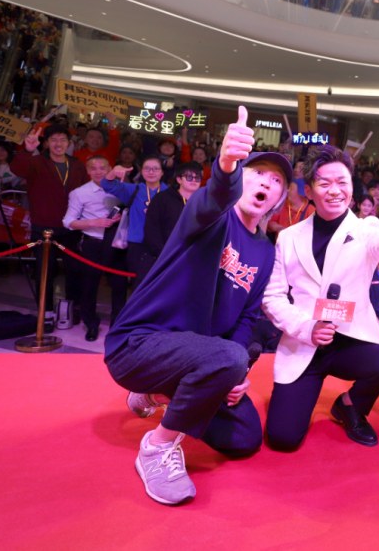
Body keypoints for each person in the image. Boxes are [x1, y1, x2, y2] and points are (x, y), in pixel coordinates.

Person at [104, 106, 291, 506]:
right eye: (258, 172)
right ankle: (157, 447)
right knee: (227, 357)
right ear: (242, 178)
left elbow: (247, 318)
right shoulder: (211, 216)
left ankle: (155, 396)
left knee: (244, 438)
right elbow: (214, 196)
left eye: (277, 181)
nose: (267, 182)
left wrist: (235, 375)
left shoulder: (265, 251)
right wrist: (226, 165)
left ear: (278, 199)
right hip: (139, 344)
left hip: (200, 356)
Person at [261, 145, 379, 452]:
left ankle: (350, 406)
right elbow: (272, 297)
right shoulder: (288, 237)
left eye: (342, 182)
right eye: (324, 183)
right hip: (305, 339)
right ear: (309, 191)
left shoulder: (366, 229)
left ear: (351, 189)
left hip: (350, 340)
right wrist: (307, 328)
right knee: (282, 439)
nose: (335, 191)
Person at [12, 124, 87, 314]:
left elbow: (86, 190)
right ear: (46, 143)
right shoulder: (37, 161)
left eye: (63, 139)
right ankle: (45, 313)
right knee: (45, 273)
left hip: (72, 226)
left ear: (69, 143)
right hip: (44, 227)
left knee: (74, 271)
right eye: (53, 139)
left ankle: (73, 310)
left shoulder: (77, 164)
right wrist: (28, 150)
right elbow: (18, 169)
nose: (58, 143)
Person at [64, 156, 124, 341]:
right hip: (93, 242)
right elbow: (68, 222)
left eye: (102, 167)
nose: (98, 172)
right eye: (94, 168)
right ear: (88, 171)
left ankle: (117, 324)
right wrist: (94, 222)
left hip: (117, 243)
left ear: (110, 168)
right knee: (89, 286)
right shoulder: (79, 193)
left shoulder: (121, 189)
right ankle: (91, 324)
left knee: (119, 286)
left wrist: (122, 217)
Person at [100, 155, 166, 288]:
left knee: (160, 285)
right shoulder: (133, 189)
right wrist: (114, 171)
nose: (151, 172)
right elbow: (106, 184)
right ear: (141, 172)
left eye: (155, 168)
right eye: (146, 168)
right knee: (138, 285)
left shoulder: (170, 192)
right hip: (137, 244)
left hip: (163, 245)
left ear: (162, 172)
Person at [144, 162, 203, 262]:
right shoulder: (162, 198)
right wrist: (162, 254)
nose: (194, 180)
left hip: (191, 258)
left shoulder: (203, 203)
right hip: (162, 256)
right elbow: (151, 228)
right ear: (179, 179)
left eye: (197, 178)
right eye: (189, 177)